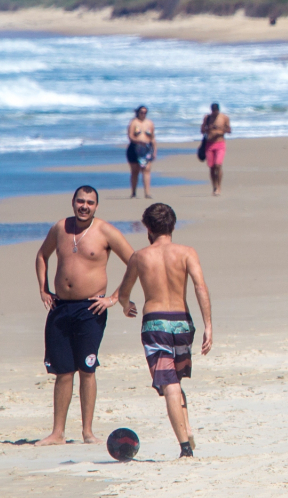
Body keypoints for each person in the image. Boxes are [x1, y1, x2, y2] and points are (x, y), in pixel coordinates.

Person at [33, 186, 135, 445]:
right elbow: (42, 256)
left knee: (87, 369)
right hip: (60, 308)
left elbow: (136, 262)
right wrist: (43, 289)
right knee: (63, 371)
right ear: (73, 202)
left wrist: (114, 298)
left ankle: (88, 432)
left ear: (96, 206)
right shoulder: (60, 228)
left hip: (91, 309)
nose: (84, 206)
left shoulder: (105, 231)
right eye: (80, 201)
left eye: (90, 202)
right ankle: (57, 433)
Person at [115, 203, 213, 459]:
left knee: (169, 386)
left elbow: (123, 293)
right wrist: (208, 326)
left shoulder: (140, 256)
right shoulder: (187, 252)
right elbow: (200, 287)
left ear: (148, 228)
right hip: (182, 321)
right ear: (172, 225)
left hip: (155, 323)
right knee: (176, 382)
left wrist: (127, 306)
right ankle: (187, 427)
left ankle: (184, 448)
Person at [200, 103, 232, 196]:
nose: (214, 113)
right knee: (212, 167)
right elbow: (202, 130)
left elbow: (229, 130)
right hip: (209, 144)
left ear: (218, 110)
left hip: (220, 143)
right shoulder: (207, 118)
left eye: (215, 112)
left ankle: (219, 187)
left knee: (218, 165)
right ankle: (214, 186)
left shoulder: (224, 118)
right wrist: (208, 128)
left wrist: (220, 130)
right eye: (212, 112)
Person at [126, 106, 157, 199]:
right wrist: (138, 141)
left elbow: (153, 138)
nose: (143, 114)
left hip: (147, 149)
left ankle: (147, 193)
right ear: (138, 112)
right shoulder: (133, 122)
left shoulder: (149, 123)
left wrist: (154, 150)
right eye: (141, 112)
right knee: (135, 171)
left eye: (145, 112)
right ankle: (133, 192)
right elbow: (130, 136)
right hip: (135, 148)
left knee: (147, 170)